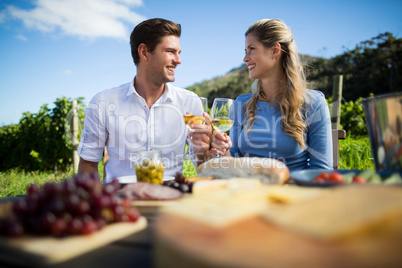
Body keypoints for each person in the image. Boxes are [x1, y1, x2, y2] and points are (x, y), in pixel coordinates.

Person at [78, 18, 212, 182]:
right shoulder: (102, 102)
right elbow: (88, 165)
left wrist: (203, 151)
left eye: (179, 53)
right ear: (144, 52)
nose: (178, 60)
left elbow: (202, 166)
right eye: (170, 51)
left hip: (170, 197)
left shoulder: (189, 102)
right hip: (121, 199)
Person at [211, 19, 333, 170]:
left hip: (293, 191)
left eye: (252, 49)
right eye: (245, 51)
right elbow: (234, 164)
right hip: (247, 190)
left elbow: (321, 169)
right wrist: (224, 150)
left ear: (275, 50)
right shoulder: (241, 104)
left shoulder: (313, 103)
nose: (245, 58)